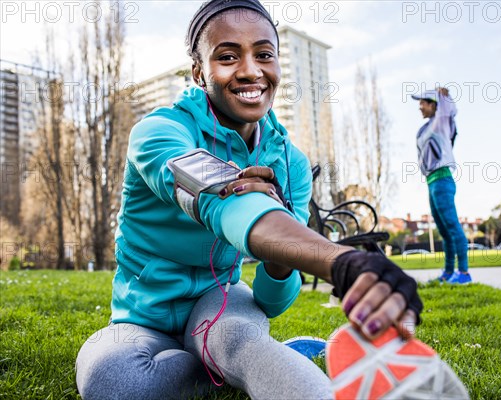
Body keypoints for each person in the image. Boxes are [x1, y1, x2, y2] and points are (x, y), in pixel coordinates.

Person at [74, 1, 460, 399]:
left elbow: (272, 301)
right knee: (113, 380)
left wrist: (280, 257)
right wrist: (341, 262)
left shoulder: (290, 163)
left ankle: (245, 362)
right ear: (198, 71)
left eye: (264, 55)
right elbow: (216, 198)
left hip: (219, 303)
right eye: (227, 56)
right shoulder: (159, 132)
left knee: (239, 341)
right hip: (141, 318)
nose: (250, 70)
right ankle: (216, 367)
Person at [412, 88, 472, 284]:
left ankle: (463, 273)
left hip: (442, 179)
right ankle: (448, 272)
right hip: (432, 182)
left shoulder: (441, 122)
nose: (420, 106)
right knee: (444, 230)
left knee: (453, 226)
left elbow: (449, 110)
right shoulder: (425, 128)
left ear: (434, 105)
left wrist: (445, 97)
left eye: (423, 103)